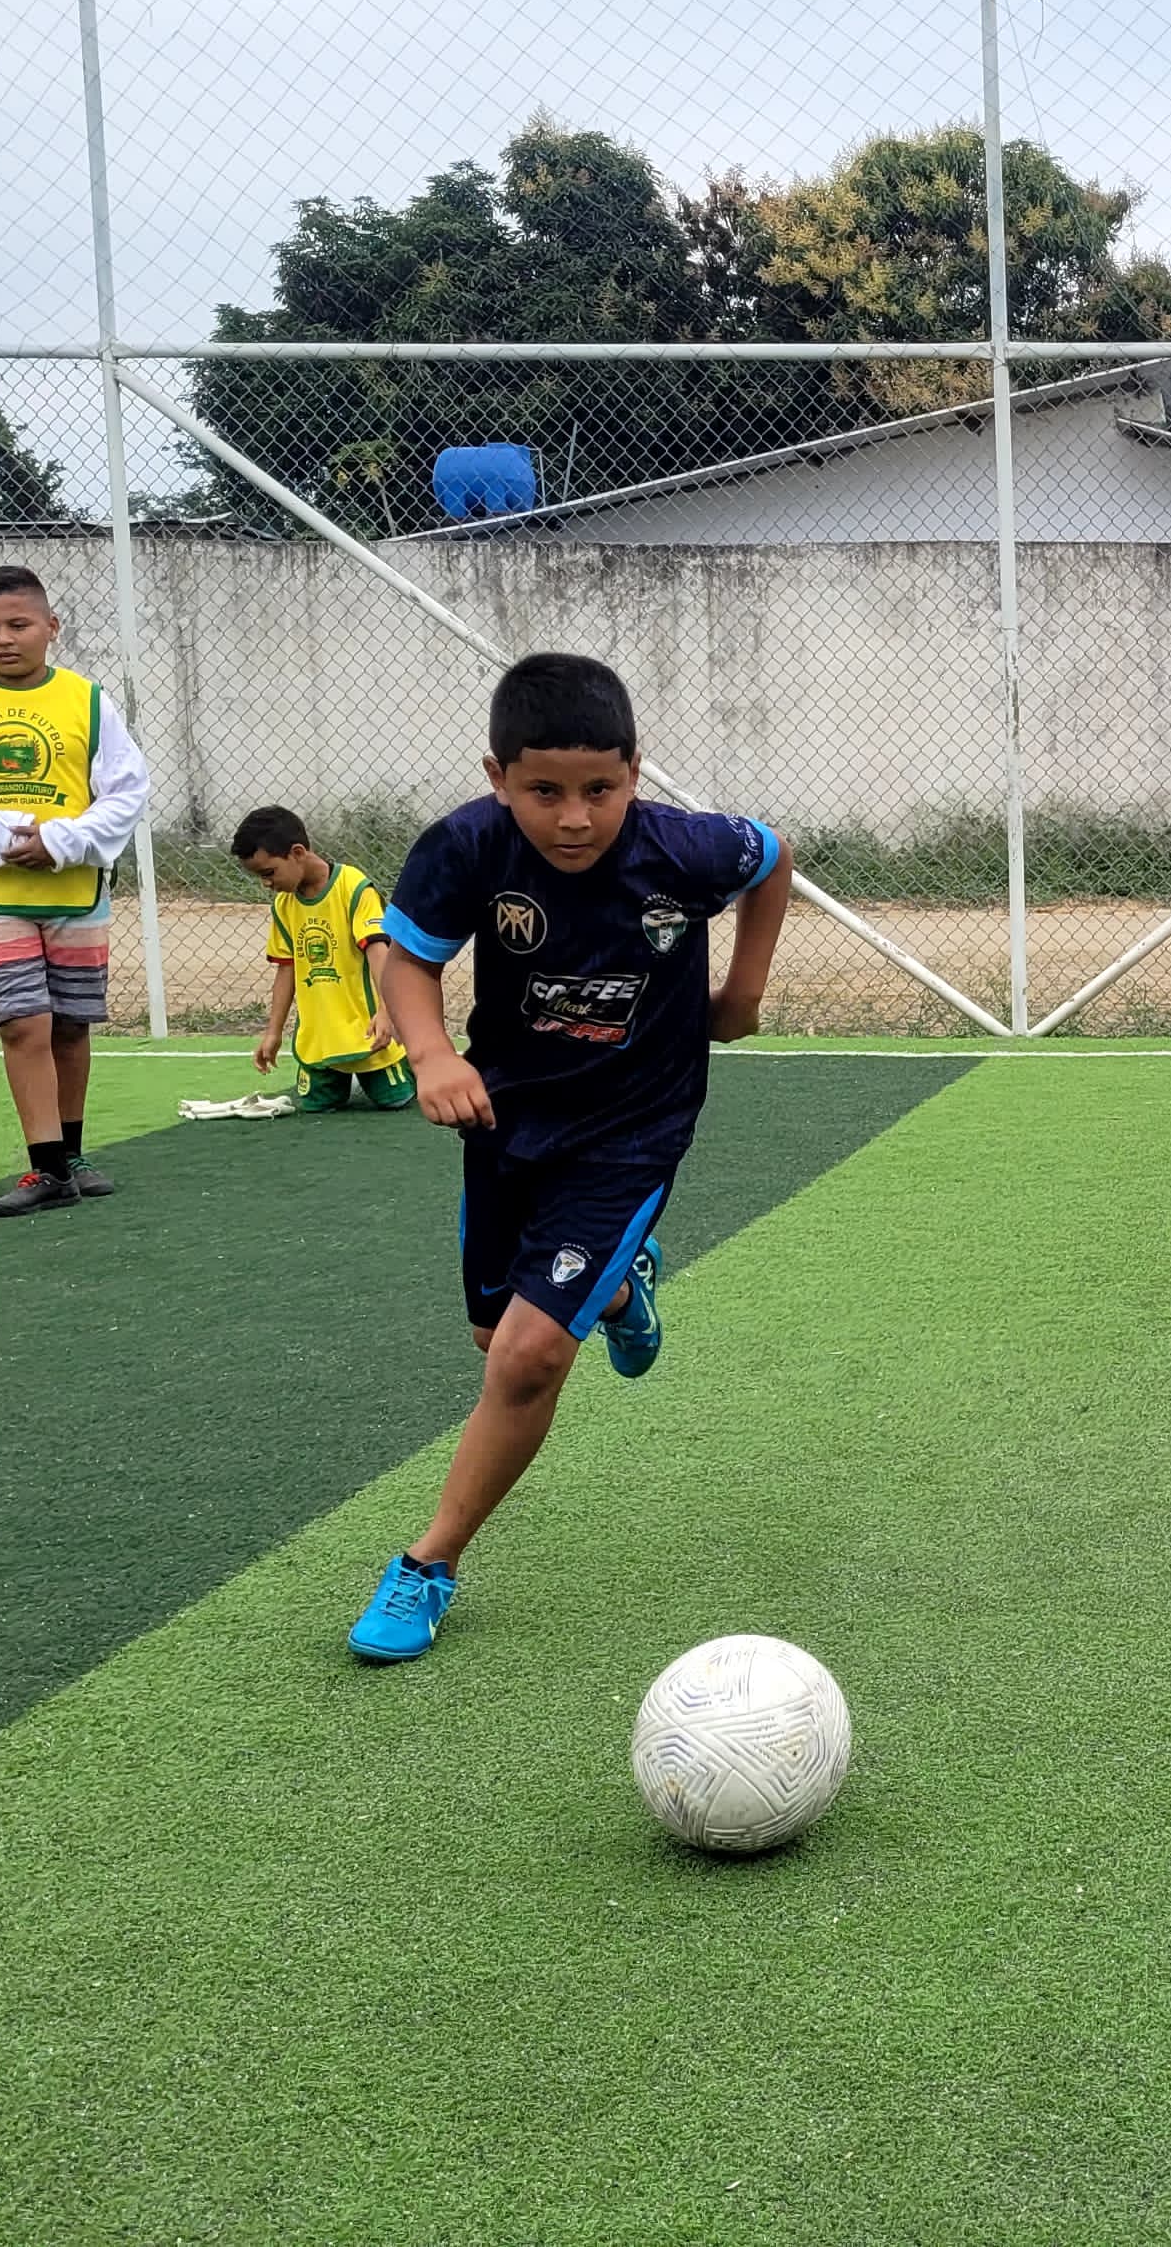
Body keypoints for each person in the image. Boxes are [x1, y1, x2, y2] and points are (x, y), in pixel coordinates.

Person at [349, 653, 793, 1663]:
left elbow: (772, 857)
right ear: (497, 777)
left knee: (529, 1355)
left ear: (636, 769)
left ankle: (428, 1563)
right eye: (544, 791)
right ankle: (621, 1288)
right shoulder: (465, 846)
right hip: (507, 1120)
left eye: (600, 788)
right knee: (491, 1335)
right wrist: (432, 1054)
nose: (576, 817)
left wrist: (743, 994)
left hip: (635, 1130)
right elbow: (407, 959)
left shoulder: (685, 849)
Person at [0, 565, 154, 1216]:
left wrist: (62, 842)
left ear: (51, 627)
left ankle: (72, 1155)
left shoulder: (88, 701)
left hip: (74, 892)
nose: (4, 639)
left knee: (69, 1025)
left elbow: (126, 792)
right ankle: (46, 1170)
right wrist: (8, 836)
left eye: (18, 625)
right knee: (22, 1023)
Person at [230, 806, 414, 1110]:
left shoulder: (353, 888)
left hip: (370, 1035)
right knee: (317, 1107)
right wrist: (273, 1032)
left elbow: (379, 954)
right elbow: (286, 970)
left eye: (269, 873)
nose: (266, 884)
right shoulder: (284, 906)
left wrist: (386, 1011)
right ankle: (330, 1072)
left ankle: (412, 1057)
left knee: (396, 1101)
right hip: (319, 1040)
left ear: (297, 853)